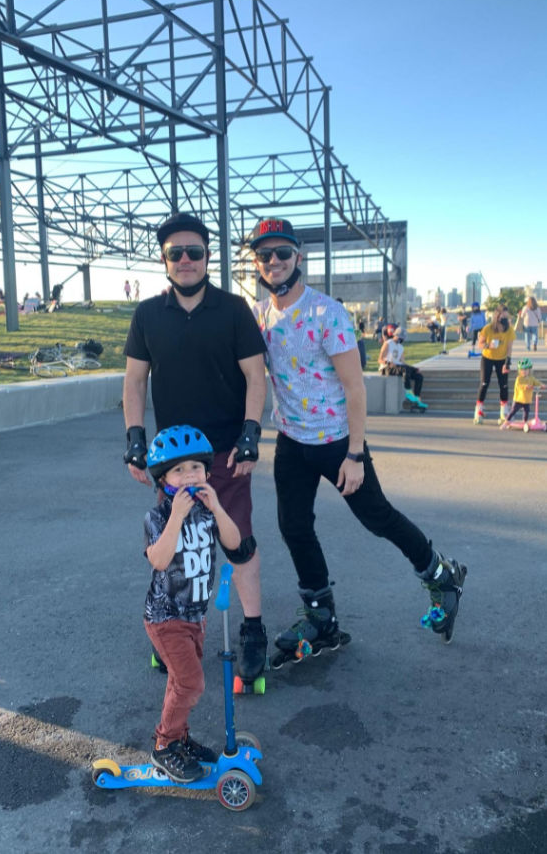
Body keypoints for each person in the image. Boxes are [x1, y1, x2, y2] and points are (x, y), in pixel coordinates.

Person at [248, 217, 468, 658]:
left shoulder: (326, 312)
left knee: (377, 517)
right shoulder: (259, 314)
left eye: (283, 253)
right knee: (293, 527)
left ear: (298, 257)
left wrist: (354, 455)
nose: (274, 261)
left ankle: (441, 575)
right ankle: (321, 618)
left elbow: (354, 388)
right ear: (256, 261)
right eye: (265, 254)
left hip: (336, 441)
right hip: (292, 440)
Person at [122, 212, 268, 684]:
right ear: (165, 260)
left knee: (237, 542)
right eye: (175, 253)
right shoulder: (147, 314)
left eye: (195, 252)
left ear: (208, 257)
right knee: (180, 546)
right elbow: (134, 380)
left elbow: (254, 376)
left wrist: (250, 434)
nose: (186, 261)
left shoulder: (233, 310)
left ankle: (253, 630)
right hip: (174, 461)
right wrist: (134, 438)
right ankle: (173, 631)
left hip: (225, 452)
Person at [143, 425, 241, 782]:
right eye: (178, 470)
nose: (189, 476)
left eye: (195, 468)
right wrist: (176, 517)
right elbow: (158, 559)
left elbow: (234, 542)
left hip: (195, 617)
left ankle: (179, 737)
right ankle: (164, 746)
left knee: (179, 683)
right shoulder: (157, 517)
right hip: (166, 617)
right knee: (191, 683)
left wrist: (216, 506)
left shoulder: (207, 511)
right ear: (164, 479)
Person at [473, 304, 515, 424]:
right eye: (503, 316)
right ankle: (478, 409)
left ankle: (504, 411)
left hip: (501, 359)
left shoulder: (509, 330)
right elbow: (480, 344)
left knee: (504, 385)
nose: (505, 319)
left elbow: (509, 347)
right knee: (484, 383)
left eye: (506, 317)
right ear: (497, 316)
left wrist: (507, 362)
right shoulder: (488, 328)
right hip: (488, 358)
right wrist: (488, 345)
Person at [378, 326, 427, 408]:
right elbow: (379, 359)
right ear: (395, 335)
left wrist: (414, 369)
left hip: (398, 367)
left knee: (419, 376)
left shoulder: (401, 348)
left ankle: (417, 399)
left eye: (402, 338)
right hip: (386, 368)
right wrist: (388, 363)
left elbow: (402, 362)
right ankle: (408, 392)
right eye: (400, 338)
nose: (401, 340)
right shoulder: (387, 343)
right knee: (404, 370)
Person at [500, 358, 544, 431]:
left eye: (526, 370)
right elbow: (520, 385)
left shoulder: (531, 378)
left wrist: (542, 385)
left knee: (527, 412)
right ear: (519, 371)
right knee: (513, 411)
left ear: (529, 370)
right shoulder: (519, 379)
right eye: (522, 370)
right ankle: (506, 422)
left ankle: (525, 422)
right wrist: (526, 386)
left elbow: (537, 382)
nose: (524, 371)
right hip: (518, 399)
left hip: (527, 400)